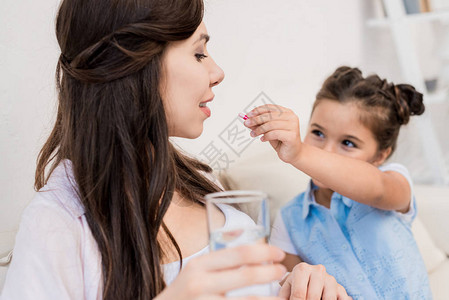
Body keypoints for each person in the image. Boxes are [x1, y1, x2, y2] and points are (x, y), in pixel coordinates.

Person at [0, 1, 352, 299]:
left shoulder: (200, 182)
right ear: (134, 65)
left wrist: (292, 287)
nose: (217, 72)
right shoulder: (56, 225)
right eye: (198, 53)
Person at [243, 66, 432, 299]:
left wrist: (301, 154)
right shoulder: (289, 220)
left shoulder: (393, 180)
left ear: (380, 156)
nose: (327, 150)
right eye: (318, 133)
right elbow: (289, 288)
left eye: (348, 143)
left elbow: (377, 189)